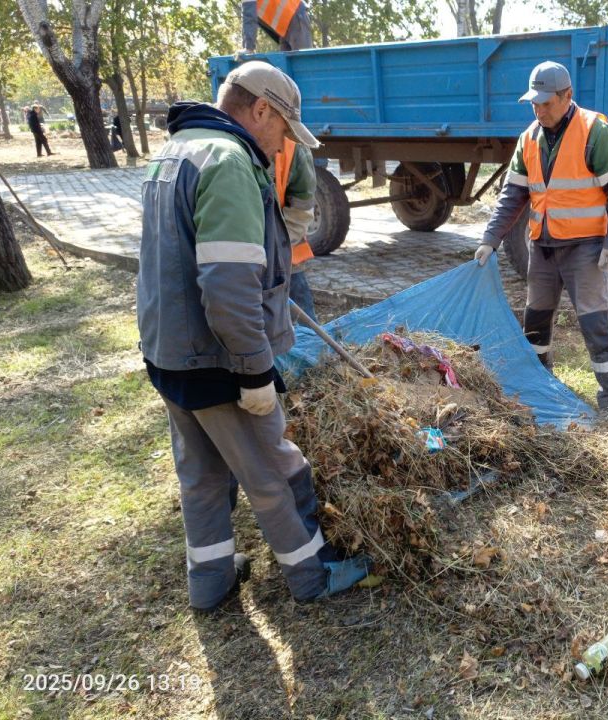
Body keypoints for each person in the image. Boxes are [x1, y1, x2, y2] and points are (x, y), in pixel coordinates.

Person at [136, 61, 362, 612]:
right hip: (218, 358)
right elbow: (228, 281)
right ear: (260, 108)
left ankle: (210, 580)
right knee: (275, 472)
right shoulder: (231, 161)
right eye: (283, 130)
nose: (283, 144)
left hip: (167, 350)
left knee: (202, 475)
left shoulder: (174, 151)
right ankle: (312, 572)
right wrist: (255, 369)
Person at [474, 61, 608, 412]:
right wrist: (490, 239)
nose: (540, 110)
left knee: (594, 321)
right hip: (543, 248)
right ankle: (540, 379)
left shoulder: (594, 131)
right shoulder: (528, 138)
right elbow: (512, 196)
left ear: (567, 96)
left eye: (547, 103)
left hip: (585, 249)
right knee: (535, 320)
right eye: (535, 103)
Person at [274, 138, 319, 320]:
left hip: (287, 260)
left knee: (305, 325)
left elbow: (301, 212)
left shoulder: (294, 148)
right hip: (245, 266)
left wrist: (273, 253)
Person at [241, 0, 313, 53]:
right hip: (285, 26)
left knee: (304, 62)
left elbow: (249, 17)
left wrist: (248, 48)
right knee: (285, 68)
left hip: (294, 15)